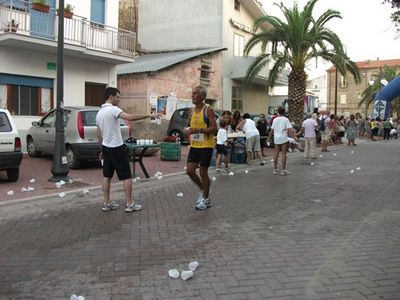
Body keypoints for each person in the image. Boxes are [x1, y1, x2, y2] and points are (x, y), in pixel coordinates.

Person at [96, 87, 159, 213]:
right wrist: (148, 115)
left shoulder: (99, 113)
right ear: (111, 97)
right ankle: (129, 204)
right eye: (118, 97)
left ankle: (107, 203)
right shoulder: (113, 109)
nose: (119, 100)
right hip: (116, 147)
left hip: (106, 147)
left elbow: (99, 134)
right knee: (127, 176)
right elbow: (129, 117)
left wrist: (102, 149)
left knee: (106, 175)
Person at [184, 86, 217, 210]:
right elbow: (189, 126)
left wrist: (198, 130)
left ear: (202, 96)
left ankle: (206, 199)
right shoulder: (192, 111)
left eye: (195, 93)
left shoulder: (208, 109)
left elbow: (214, 128)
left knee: (203, 172)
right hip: (194, 146)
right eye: (192, 93)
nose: (192, 95)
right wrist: (187, 130)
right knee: (190, 171)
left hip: (206, 146)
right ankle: (203, 189)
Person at [268, 106, 293, 176]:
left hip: (276, 138)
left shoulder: (275, 119)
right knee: (284, 154)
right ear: (284, 112)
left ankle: (275, 169)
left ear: (278, 112)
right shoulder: (286, 119)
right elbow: (290, 129)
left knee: (276, 154)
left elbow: (272, 130)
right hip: (283, 138)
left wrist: (269, 138)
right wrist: (293, 137)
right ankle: (283, 170)